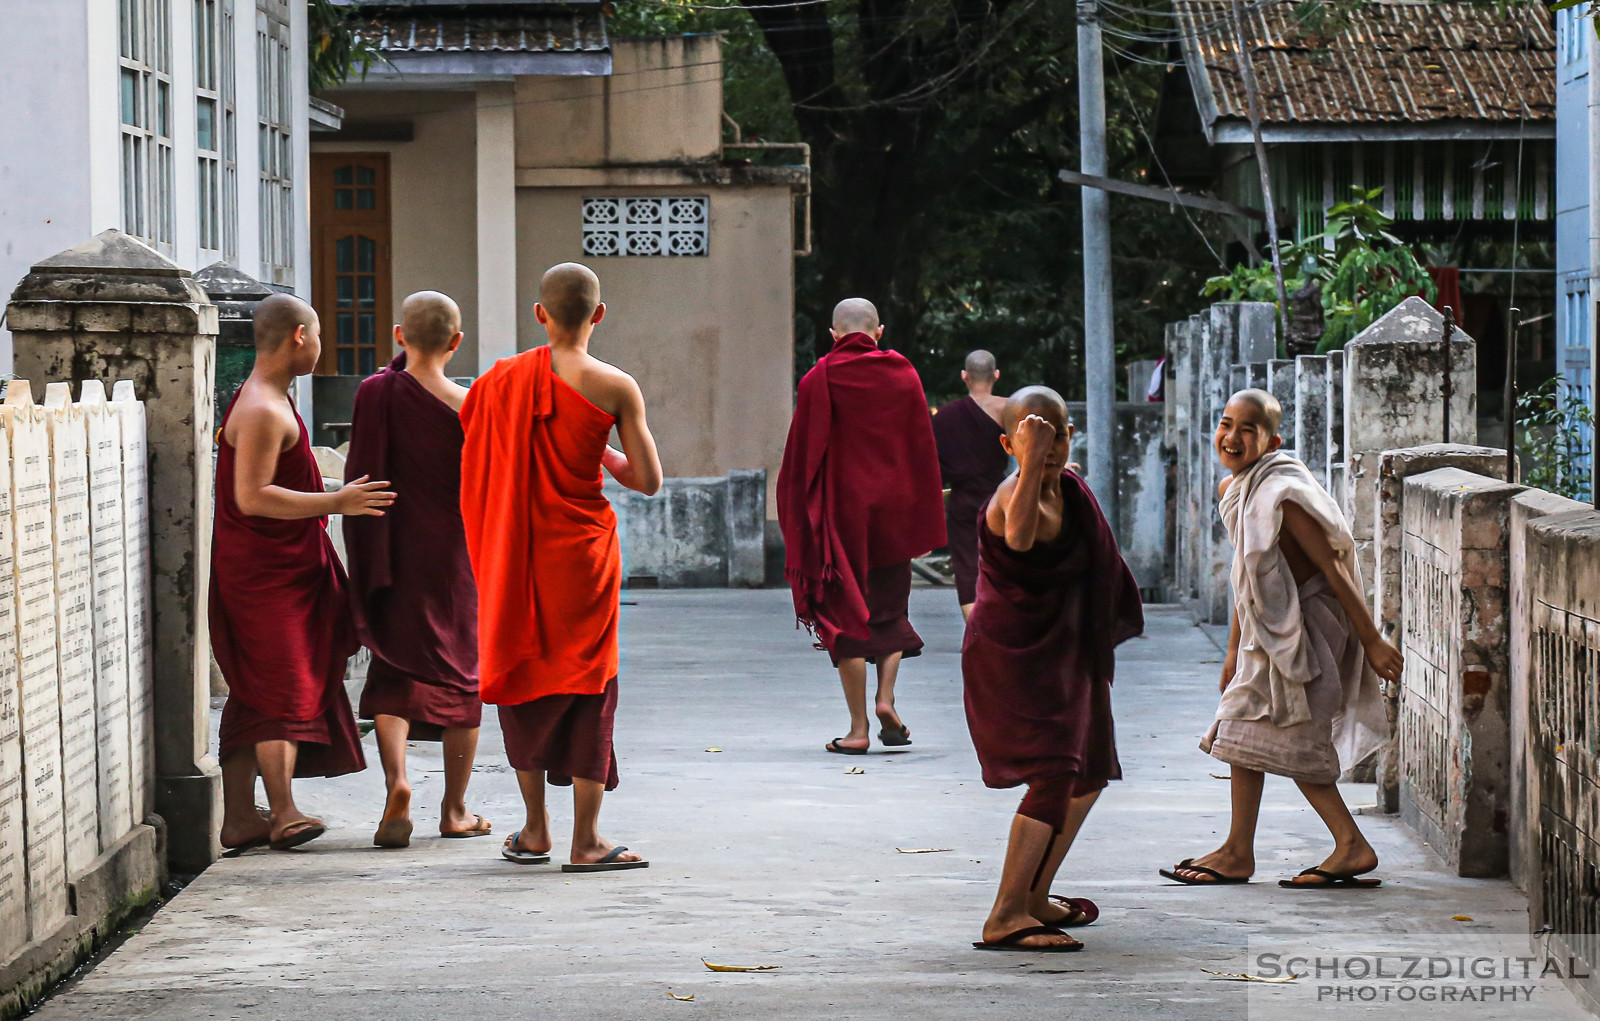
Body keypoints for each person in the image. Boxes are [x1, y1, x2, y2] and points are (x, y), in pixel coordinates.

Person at [460, 263, 662, 872]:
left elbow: (478, 460)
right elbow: (648, 480)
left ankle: (534, 830)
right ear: (598, 315)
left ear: (540, 315)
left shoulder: (499, 383)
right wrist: (596, 441)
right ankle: (588, 839)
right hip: (583, 561)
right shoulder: (615, 387)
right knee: (589, 688)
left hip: (518, 553)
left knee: (525, 682)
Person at [1160, 389, 1400, 889]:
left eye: (1249, 429)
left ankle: (1351, 845)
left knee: (1294, 739)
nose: (1233, 437)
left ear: (1273, 440)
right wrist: (1232, 650)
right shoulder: (1238, 488)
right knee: (1241, 732)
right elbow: (1247, 575)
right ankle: (1236, 850)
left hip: (1306, 631)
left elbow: (1335, 571)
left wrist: (1372, 640)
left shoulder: (1282, 493)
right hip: (1265, 632)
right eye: (1227, 424)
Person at [212, 293, 394, 853]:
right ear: (298, 336)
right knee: (281, 685)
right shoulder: (264, 408)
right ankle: (285, 811)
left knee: (255, 688)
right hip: (264, 576)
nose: (321, 347)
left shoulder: (274, 398)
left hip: (284, 569)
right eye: (318, 335)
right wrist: (336, 502)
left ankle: (241, 817)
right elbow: (253, 497)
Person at [963, 387, 1143, 952]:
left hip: (1067, 650)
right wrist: (1030, 457)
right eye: (1036, 433)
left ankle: (1036, 896)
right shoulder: (1008, 497)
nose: (1052, 444)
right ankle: (1006, 914)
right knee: (1053, 771)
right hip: (1015, 655)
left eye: (1061, 433)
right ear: (1008, 441)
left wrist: (1043, 456)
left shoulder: (1069, 488)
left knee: (1088, 770)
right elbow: (1019, 535)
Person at [344, 291, 489, 849]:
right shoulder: (472, 404)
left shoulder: (376, 391)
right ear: (456, 343)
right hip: (456, 554)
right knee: (461, 676)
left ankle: (398, 783)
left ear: (400, 337)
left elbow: (364, 471)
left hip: (392, 548)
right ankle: (454, 809)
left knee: (394, 670)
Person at [777, 298, 945, 755]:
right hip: (893, 513)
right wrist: (923, 522)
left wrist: (801, 522)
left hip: (841, 517)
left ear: (833, 334)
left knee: (845, 616)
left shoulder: (819, 378)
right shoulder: (904, 373)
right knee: (889, 610)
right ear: (880, 331)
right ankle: (887, 699)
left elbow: (802, 458)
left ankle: (858, 729)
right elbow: (920, 451)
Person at [932, 350, 1009, 621]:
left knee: (968, 571)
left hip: (963, 504)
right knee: (1003, 566)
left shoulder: (946, 416)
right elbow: (1030, 450)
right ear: (996, 375)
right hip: (1001, 502)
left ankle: (978, 636)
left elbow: (932, 465)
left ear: (964, 376)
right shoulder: (1009, 409)